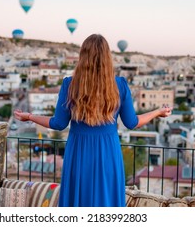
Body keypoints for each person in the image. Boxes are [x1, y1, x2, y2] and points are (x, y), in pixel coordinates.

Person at [13, 34, 172, 207]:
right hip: (108, 152)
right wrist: (158, 112)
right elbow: (132, 123)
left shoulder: (70, 85)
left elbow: (58, 124)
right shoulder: (120, 85)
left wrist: (29, 117)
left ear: (83, 57)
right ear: (107, 58)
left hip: (79, 152)